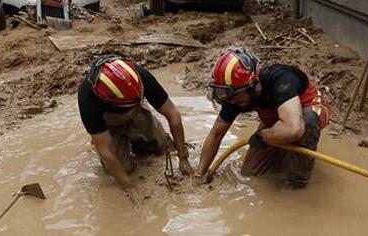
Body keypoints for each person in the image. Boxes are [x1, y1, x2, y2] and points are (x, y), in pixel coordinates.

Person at [195, 48, 331, 189]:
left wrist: (263, 136)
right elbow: (216, 135)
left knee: (305, 124)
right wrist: (199, 174)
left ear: (253, 83)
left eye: (235, 97)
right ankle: (283, 152)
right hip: (278, 117)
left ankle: (297, 184)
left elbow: (294, 129)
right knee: (251, 173)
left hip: (309, 109)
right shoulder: (235, 95)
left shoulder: (280, 79)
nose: (233, 102)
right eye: (229, 98)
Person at [78, 55, 193, 191]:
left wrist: (183, 157)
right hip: (108, 124)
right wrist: (129, 187)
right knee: (122, 169)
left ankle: (139, 137)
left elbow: (173, 114)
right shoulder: (88, 98)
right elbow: (105, 150)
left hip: (136, 111)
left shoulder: (140, 77)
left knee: (163, 148)